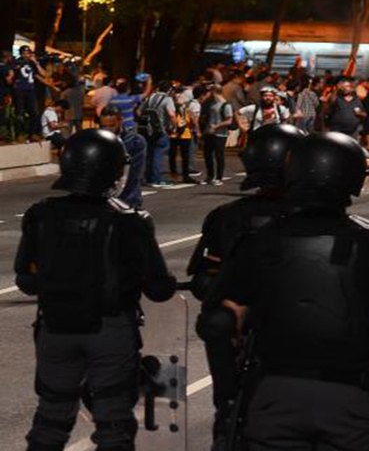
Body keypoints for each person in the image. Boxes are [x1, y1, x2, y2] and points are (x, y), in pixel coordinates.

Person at [217, 132, 369, 451]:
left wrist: (227, 395)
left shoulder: (258, 240)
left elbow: (221, 323)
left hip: (274, 392)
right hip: (351, 394)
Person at [15, 129, 177, 451]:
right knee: (113, 423)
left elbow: (26, 280)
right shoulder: (129, 221)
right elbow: (159, 289)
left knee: (50, 418)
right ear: (113, 171)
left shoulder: (41, 215)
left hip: (55, 328)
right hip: (110, 330)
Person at [187, 123, 307, 448]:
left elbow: (202, 282)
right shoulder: (312, 217)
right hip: (302, 337)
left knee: (231, 414)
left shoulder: (226, 216)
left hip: (241, 339)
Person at [100, 105, 147, 209]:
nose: (108, 130)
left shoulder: (135, 141)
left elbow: (134, 174)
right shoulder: (97, 139)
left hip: (127, 197)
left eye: (111, 125)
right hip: (101, 196)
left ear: (120, 120)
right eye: (104, 126)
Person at [138, 80, 176, 187]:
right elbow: (171, 114)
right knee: (158, 153)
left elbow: (140, 111)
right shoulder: (168, 99)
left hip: (148, 130)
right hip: (161, 130)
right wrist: (174, 126)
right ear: (169, 90)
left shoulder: (151, 97)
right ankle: (156, 179)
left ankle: (148, 177)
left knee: (150, 153)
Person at [202, 84, 233, 186]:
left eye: (210, 91)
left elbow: (229, 120)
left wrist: (216, 126)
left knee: (219, 155)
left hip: (220, 134)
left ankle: (219, 177)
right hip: (209, 132)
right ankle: (210, 176)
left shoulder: (226, 105)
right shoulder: (212, 104)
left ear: (214, 91)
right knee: (207, 154)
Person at [169, 87, 197, 184]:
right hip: (174, 134)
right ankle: (174, 173)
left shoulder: (186, 109)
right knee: (172, 155)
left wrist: (193, 122)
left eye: (180, 97)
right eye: (176, 98)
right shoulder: (172, 109)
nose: (179, 100)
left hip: (186, 134)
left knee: (185, 156)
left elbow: (192, 122)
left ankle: (186, 175)